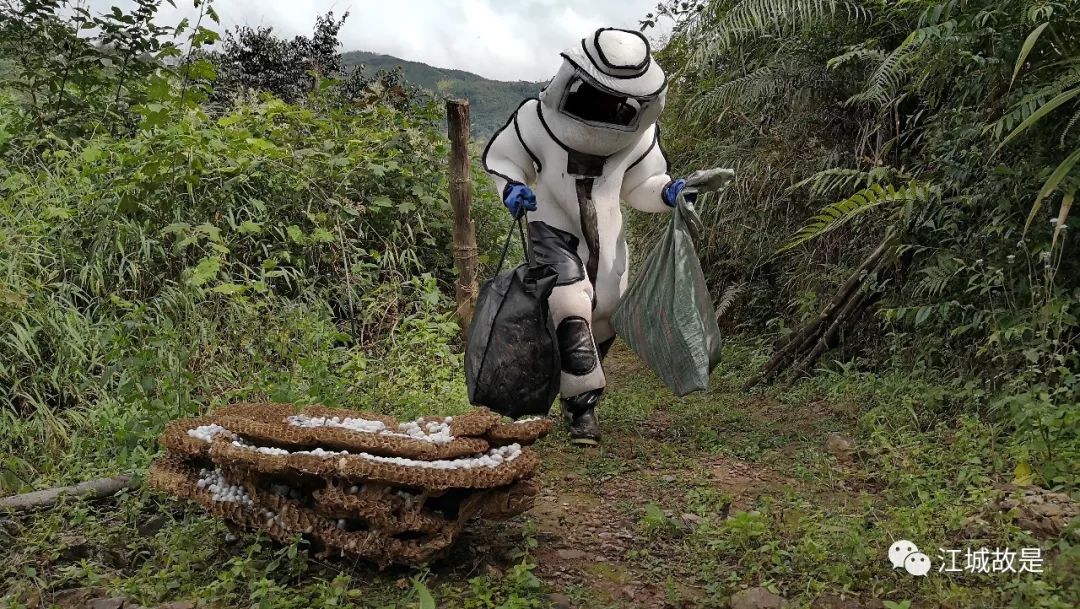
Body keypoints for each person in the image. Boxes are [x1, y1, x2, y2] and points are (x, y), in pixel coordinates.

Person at [482, 28, 728, 445]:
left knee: (605, 311)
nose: (608, 106)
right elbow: (506, 158)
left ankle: (572, 388)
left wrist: (669, 192)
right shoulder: (535, 120)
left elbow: (641, 185)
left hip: (609, 242)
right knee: (568, 302)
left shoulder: (638, 138)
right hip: (551, 229)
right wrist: (511, 187)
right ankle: (583, 410)